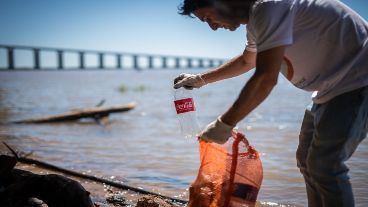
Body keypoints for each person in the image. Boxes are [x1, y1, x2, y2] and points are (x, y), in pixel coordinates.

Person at [173, 0, 368, 206]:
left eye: (209, 18)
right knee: (307, 161)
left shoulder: (269, 6)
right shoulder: (257, 20)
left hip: (357, 79)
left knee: (325, 166)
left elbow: (266, 78)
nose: (212, 27)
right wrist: (201, 79)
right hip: (328, 90)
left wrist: (225, 123)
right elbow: (247, 61)